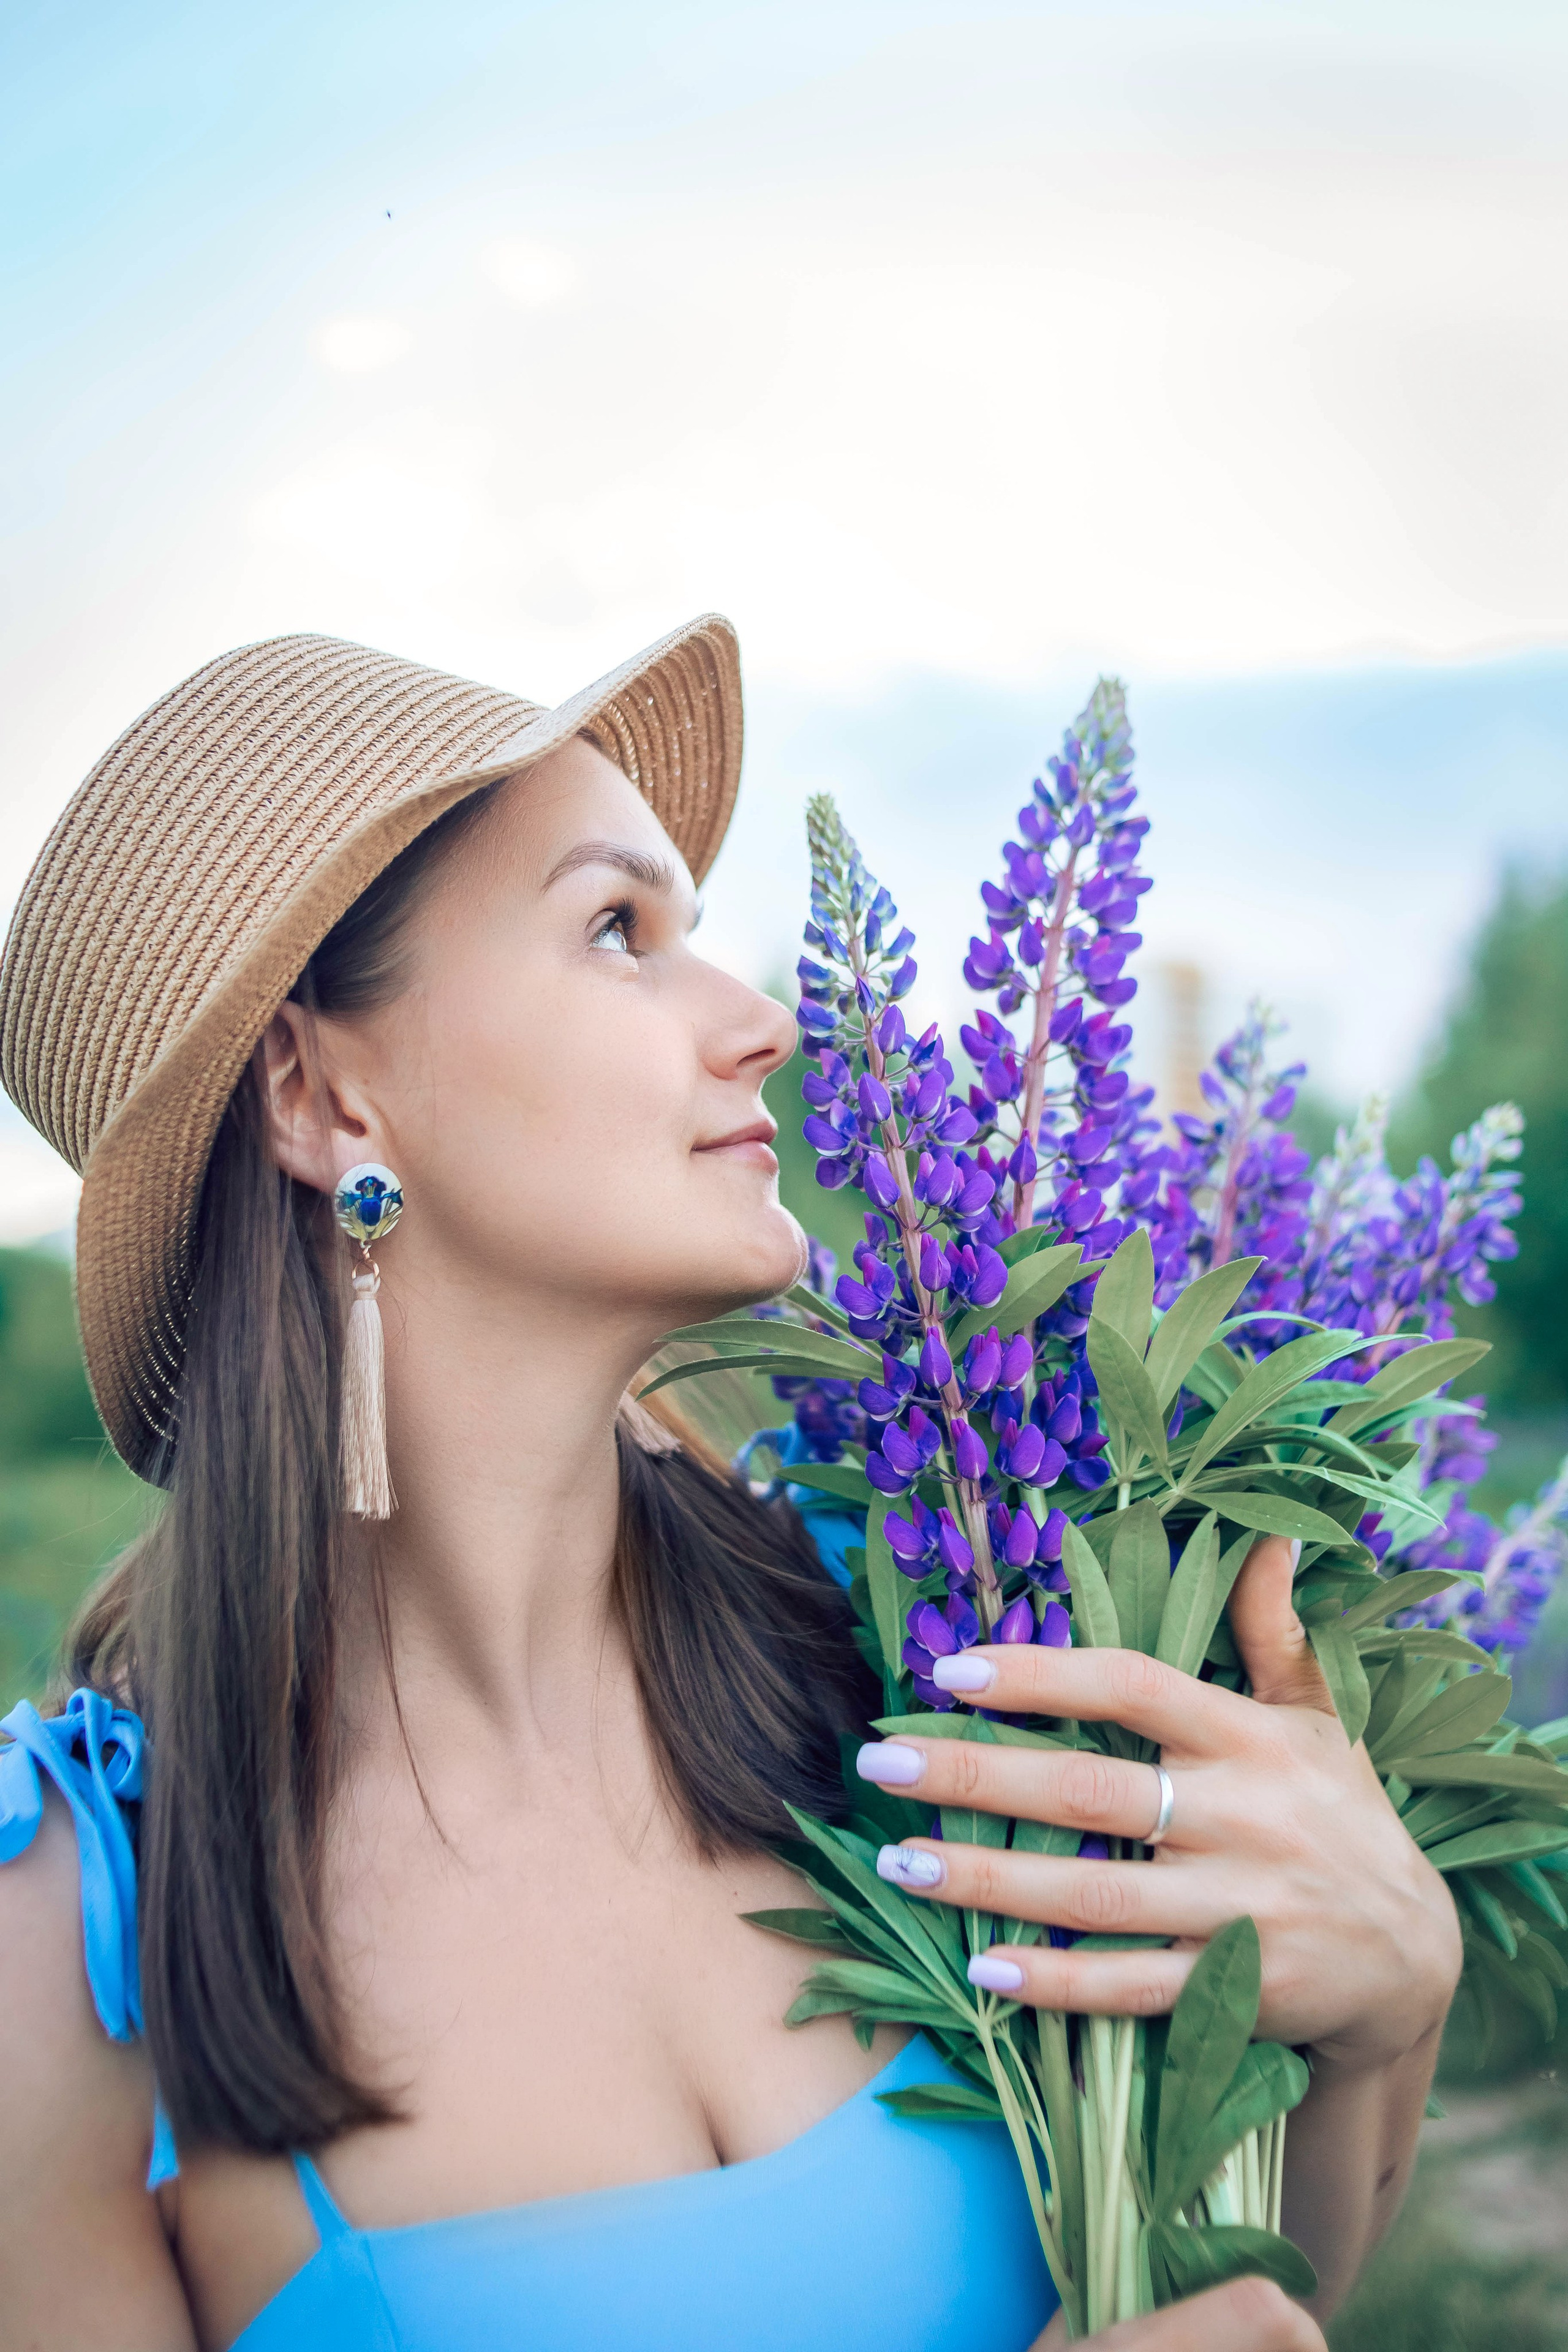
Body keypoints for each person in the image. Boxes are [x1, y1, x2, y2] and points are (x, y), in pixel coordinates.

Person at [0, 619, 1457, 2351]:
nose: (762, 1023)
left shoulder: (927, 1620)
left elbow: (1253, 2295)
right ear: (321, 1095)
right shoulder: (75, 1931)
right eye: (618, 931)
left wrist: (1388, 2003)